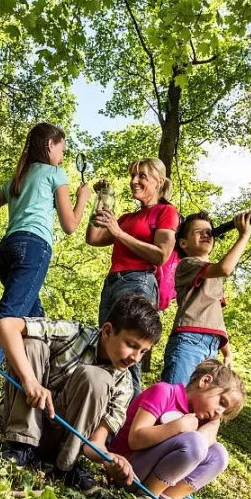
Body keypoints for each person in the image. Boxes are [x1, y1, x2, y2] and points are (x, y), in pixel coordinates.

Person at [0, 123, 91, 428]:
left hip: (9, 250)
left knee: (36, 328)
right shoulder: (55, 174)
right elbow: (70, 225)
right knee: (8, 319)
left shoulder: (18, 178)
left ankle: (20, 402)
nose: (64, 153)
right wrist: (83, 196)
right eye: (62, 147)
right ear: (50, 147)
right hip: (34, 249)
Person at [0, 294, 163, 493]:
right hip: (25, 418)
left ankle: (64, 467)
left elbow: (95, 443)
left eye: (143, 351)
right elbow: (5, 325)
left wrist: (109, 459)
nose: (135, 357)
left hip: (61, 443)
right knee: (31, 342)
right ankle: (19, 447)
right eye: (132, 345)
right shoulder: (73, 333)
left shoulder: (124, 385)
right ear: (107, 331)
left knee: (97, 377)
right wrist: (30, 380)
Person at [85, 158, 179, 396]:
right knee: (106, 351)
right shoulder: (126, 218)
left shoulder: (166, 212)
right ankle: (102, 417)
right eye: (133, 176)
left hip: (140, 283)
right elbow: (94, 238)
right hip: (113, 284)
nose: (134, 181)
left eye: (142, 176)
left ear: (158, 182)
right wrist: (102, 199)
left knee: (130, 357)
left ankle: (128, 427)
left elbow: (160, 255)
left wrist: (118, 233)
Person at [109, 359, 244, 499]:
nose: (219, 412)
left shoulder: (202, 418)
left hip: (144, 476)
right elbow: (135, 440)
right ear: (205, 381)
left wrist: (213, 425)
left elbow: (200, 451)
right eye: (222, 402)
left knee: (219, 455)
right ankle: (148, 498)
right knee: (195, 441)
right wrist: (176, 427)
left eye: (224, 412)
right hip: (124, 469)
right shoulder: (165, 392)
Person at [161, 211, 251, 385]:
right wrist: (244, 235)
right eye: (198, 232)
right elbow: (225, 268)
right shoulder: (188, 264)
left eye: (209, 232)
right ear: (183, 243)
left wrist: (227, 353)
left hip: (211, 348)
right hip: (189, 341)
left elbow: (215, 317)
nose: (206, 235)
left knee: (196, 405)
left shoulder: (212, 276)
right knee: (173, 400)